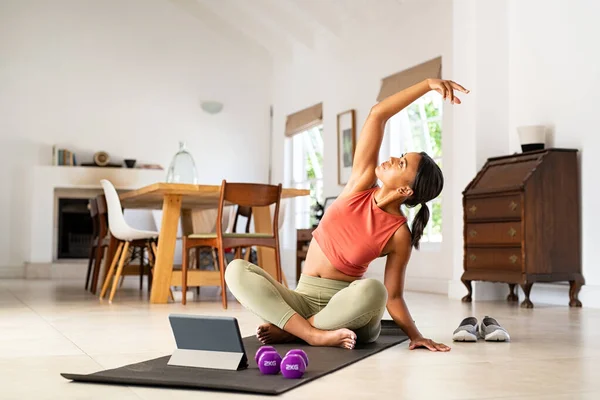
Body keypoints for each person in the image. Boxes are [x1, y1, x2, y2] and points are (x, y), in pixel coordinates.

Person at [225, 78, 469, 351]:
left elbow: (394, 297)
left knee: (375, 291)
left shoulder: (399, 234)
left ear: (405, 190)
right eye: (401, 155)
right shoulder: (361, 183)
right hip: (301, 297)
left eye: (401, 163)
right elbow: (378, 114)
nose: (391, 159)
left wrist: (416, 335)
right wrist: (427, 84)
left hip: (348, 311)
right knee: (236, 270)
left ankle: (295, 329)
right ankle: (309, 332)